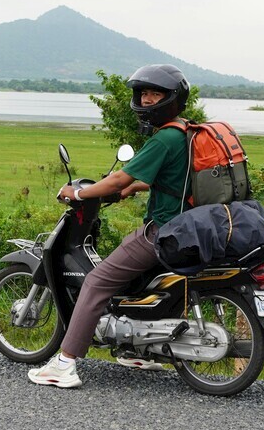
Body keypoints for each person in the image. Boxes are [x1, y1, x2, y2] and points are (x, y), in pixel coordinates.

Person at [27, 64, 192, 389]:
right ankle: (139, 350)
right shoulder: (186, 132)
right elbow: (175, 180)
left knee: (98, 281)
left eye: (154, 93)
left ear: (170, 99)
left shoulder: (164, 139)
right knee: (137, 285)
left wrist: (79, 192)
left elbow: (119, 176)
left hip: (163, 231)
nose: (146, 100)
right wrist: (135, 189)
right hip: (189, 227)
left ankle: (65, 364)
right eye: (143, 93)